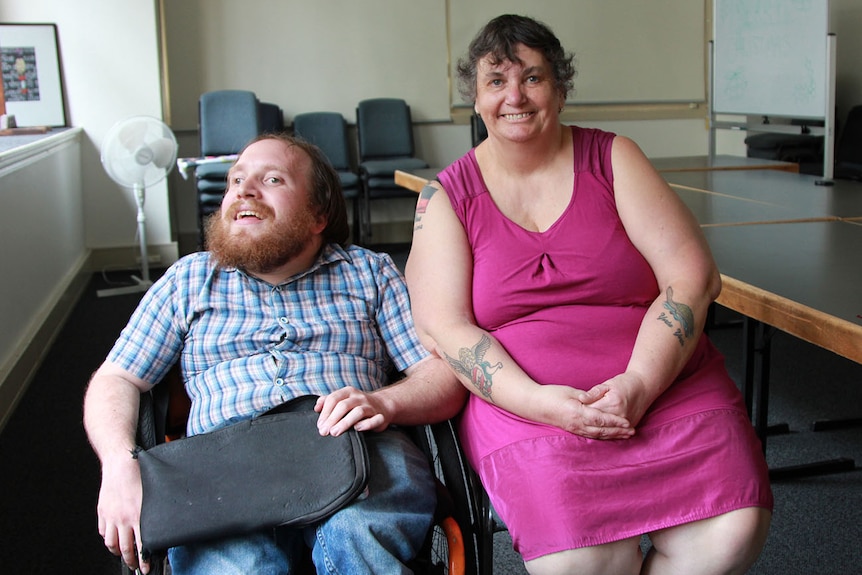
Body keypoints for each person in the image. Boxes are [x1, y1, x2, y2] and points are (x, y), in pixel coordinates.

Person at [405, 14, 773, 575]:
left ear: (560, 87)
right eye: (496, 82)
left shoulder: (614, 157)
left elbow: (692, 278)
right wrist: (539, 402)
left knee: (731, 527)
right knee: (581, 559)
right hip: (527, 406)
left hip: (666, 383)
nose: (515, 97)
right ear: (475, 100)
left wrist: (640, 384)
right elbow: (444, 328)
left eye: (533, 78)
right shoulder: (446, 197)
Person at [83, 134, 466, 575]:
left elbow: (439, 374)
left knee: (354, 539)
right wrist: (118, 463)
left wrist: (385, 401)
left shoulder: (368, 272)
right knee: (239, 567)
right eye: (236, 180)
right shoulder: (188, 279)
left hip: (356, 449)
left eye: (271, 179)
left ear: (318, 214)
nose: (244, 191)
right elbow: (117, 378)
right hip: (222, 465)